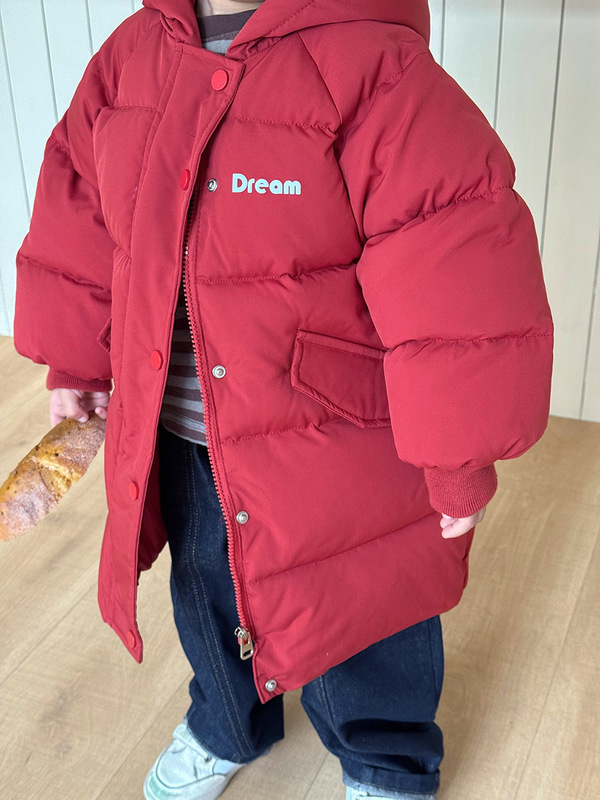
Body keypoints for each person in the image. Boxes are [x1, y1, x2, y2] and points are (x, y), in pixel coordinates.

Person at [13, 0, 554, 798]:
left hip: (338, 437)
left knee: (367, 604)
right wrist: (76, 359)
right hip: (181, 425)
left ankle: (385, 757)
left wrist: (458, 451)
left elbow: (452, 258)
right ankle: (226, 722)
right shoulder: (132, 57)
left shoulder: (373, 66)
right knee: (207, 587)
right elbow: (81, 210)